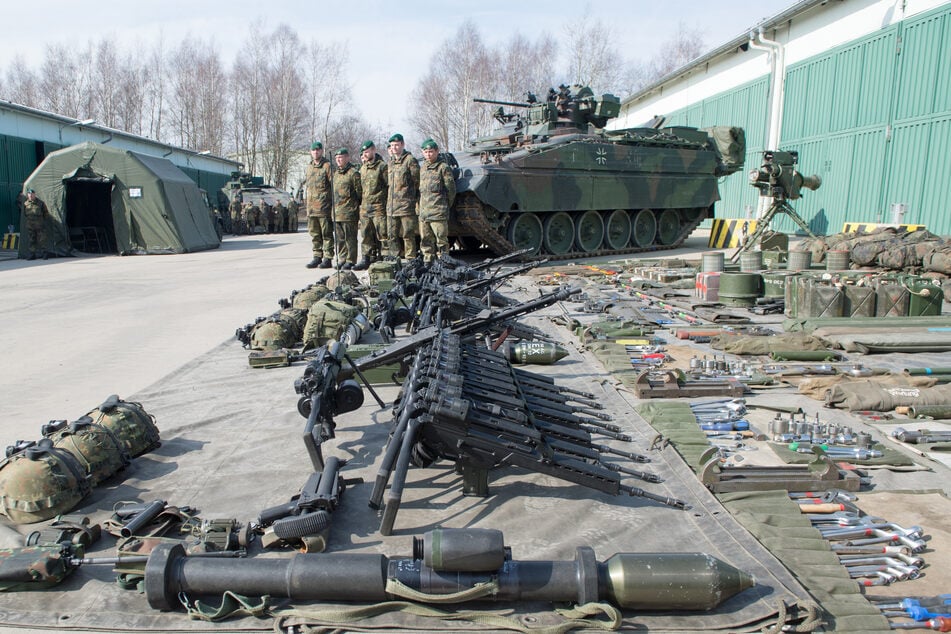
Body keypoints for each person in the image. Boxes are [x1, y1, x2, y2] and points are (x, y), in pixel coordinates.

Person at [417, 139, 456, 263]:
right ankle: (428, 262)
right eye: (426, 152)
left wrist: (445, 205)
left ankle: (444, 262)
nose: (428, 154)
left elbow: (451, 189)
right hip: (424, 213)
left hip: (438, 211)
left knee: (441, 240)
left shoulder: (443, 168)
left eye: (431, 152)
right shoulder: (423, 168)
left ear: (437, 151)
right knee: (426, 241)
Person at [385, 133, 420, 261]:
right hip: (392, 207)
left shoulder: (410, 160)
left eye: (396, 145)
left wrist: (413, 200)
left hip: (406, 206)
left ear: (402, 145)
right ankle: (395, 258)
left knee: (408, 234)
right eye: (392, 146)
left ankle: (411, 258)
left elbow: (417, 181)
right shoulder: (390, 163)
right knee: (391, 235)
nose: (394, 148)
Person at [355, 140, 388, 270]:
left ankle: (385, 257)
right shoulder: (362, 168)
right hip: (365, 207)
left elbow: (387, 185)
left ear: (374, 150)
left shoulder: (382, 166)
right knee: (365, 234)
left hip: (378, 206)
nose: (366, 154)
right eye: (364, 152)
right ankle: (366, 258)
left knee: (382, 234)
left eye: (368, 151)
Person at [304, 141, 334, 268]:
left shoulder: (327, 166)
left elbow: (334, 185)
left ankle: (327, 258)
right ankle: (317, 256)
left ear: (321, 151)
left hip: (324, 208)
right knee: (315, 234)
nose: (315, 152)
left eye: (318, 150)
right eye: (313, 150)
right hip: (311, 209)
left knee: (326, 234)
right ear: (311, 152)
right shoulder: (309, 167)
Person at [332, 148, 361, 270]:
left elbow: (359, 193)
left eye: (341, 157)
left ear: (347, 158)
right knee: (340, 239)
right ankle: (342, 258)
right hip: (337, 213)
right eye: (337, 158)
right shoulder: (336, 174)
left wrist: (354, 208)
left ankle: (351, 260)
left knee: (350, 239)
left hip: (349, 213)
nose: (339, 160)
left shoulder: (353, 173)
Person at [22, 188, 50, 260]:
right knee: (31, 240)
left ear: (34, 194)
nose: (30, 195)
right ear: (27, 195)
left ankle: (44, 254)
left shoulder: (40, 203)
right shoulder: (26, 204)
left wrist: (41, 221)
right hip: (30, 226)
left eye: (32, 194)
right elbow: (25, 214)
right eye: (29, 194)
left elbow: (46, 213)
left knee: (42, 240)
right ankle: (32, 254)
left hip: (39, 225)